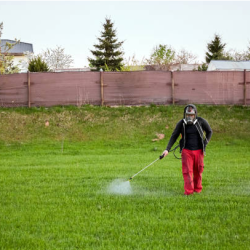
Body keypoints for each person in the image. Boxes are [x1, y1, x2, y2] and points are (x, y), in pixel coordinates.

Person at [161, 104, 212, 195]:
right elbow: (174, 136)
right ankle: (188, 192)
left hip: (199, 151)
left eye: (191, 115)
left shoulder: (201, 121)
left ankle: (197, 189)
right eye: (188, 115)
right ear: (185, 115)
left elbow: (209, 131)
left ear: (195, 114)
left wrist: (205, 143)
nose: (189, 117)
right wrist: (167, 150)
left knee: (198, 170)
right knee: (187, 171)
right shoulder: (181, 123)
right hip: (186, 151)